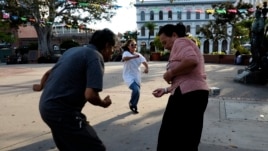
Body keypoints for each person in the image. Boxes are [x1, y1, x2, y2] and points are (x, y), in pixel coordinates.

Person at [32, 28, 117, 151]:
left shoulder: (72, 51)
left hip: (46, 106)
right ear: (107, 45)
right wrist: (104, 103)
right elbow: (90, 95)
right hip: (62, 112)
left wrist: (40, 87)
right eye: (113, 49)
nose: (112, 52)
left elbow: (48, 73)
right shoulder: (95, 57)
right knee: (96, 148)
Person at [152, 23, 209, 151]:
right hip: (193, 93)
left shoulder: (180, 42)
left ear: (174, 35)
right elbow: (186, 76)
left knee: (168, 137)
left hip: (188, 96)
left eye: (165, 42)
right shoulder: (184, 44)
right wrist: (166, 90)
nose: (165, 47)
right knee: (187, 139)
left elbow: (191, 61)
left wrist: (170, 73)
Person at [121, 39, 149, 114]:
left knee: (137, 92)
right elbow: (124, 59)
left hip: (137, 76)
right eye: (132, 45)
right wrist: (134, 57)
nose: (134, 46)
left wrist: (146, 68)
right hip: (128, 76)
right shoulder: (126, 53)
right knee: (136, 90)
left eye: (135, 45)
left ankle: (133, 104)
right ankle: (133, 105)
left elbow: (144, 62)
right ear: (128, 46)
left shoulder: (139, 55)